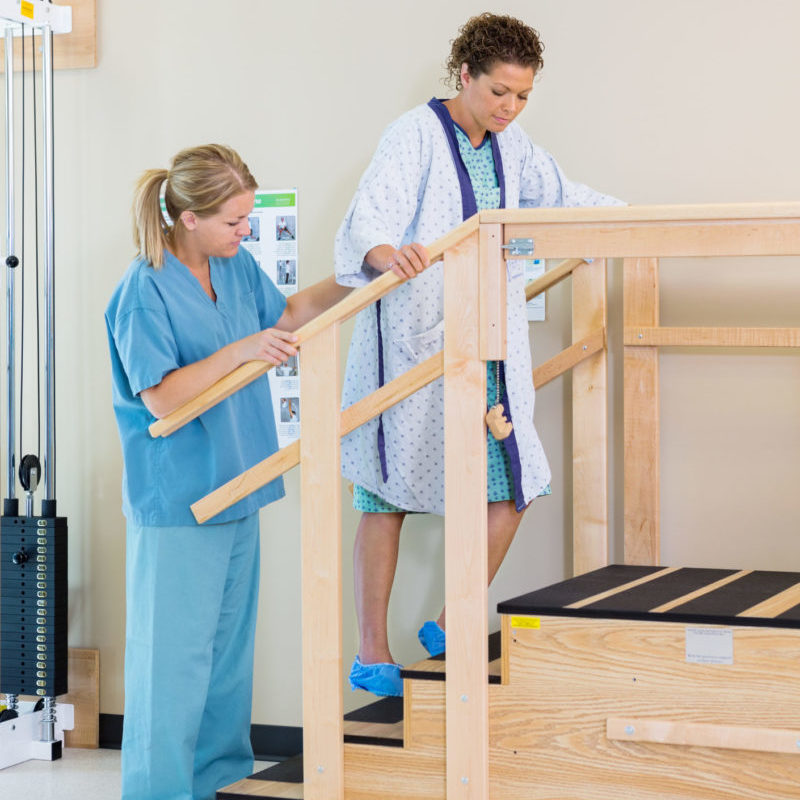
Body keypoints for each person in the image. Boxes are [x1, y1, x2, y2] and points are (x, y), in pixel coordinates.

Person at [335, 13, 624, 697]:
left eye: (522, 96)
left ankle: (447, 619)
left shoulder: (513, 144)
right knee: (385, 499)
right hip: (414, 341)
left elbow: (562, 200)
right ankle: (371, 651)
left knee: (516, 485)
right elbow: (370, 218)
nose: (510, 108)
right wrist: (385, 252)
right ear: (463, 75)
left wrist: (631, 218)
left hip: (489, 345)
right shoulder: (411, 136)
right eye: (499, 92)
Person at [105, 144, 354, 800]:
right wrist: (239, 351)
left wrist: (358, 276)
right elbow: (160, 396)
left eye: (248, 219)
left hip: (240, 487)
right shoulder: (143, 289)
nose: (246, 231)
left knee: (224, 665)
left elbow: (291, 314)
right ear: (188, 218)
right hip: (180, 501)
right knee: (171, 668)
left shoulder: (235, 268)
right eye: (234, 221)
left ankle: (221, 786)